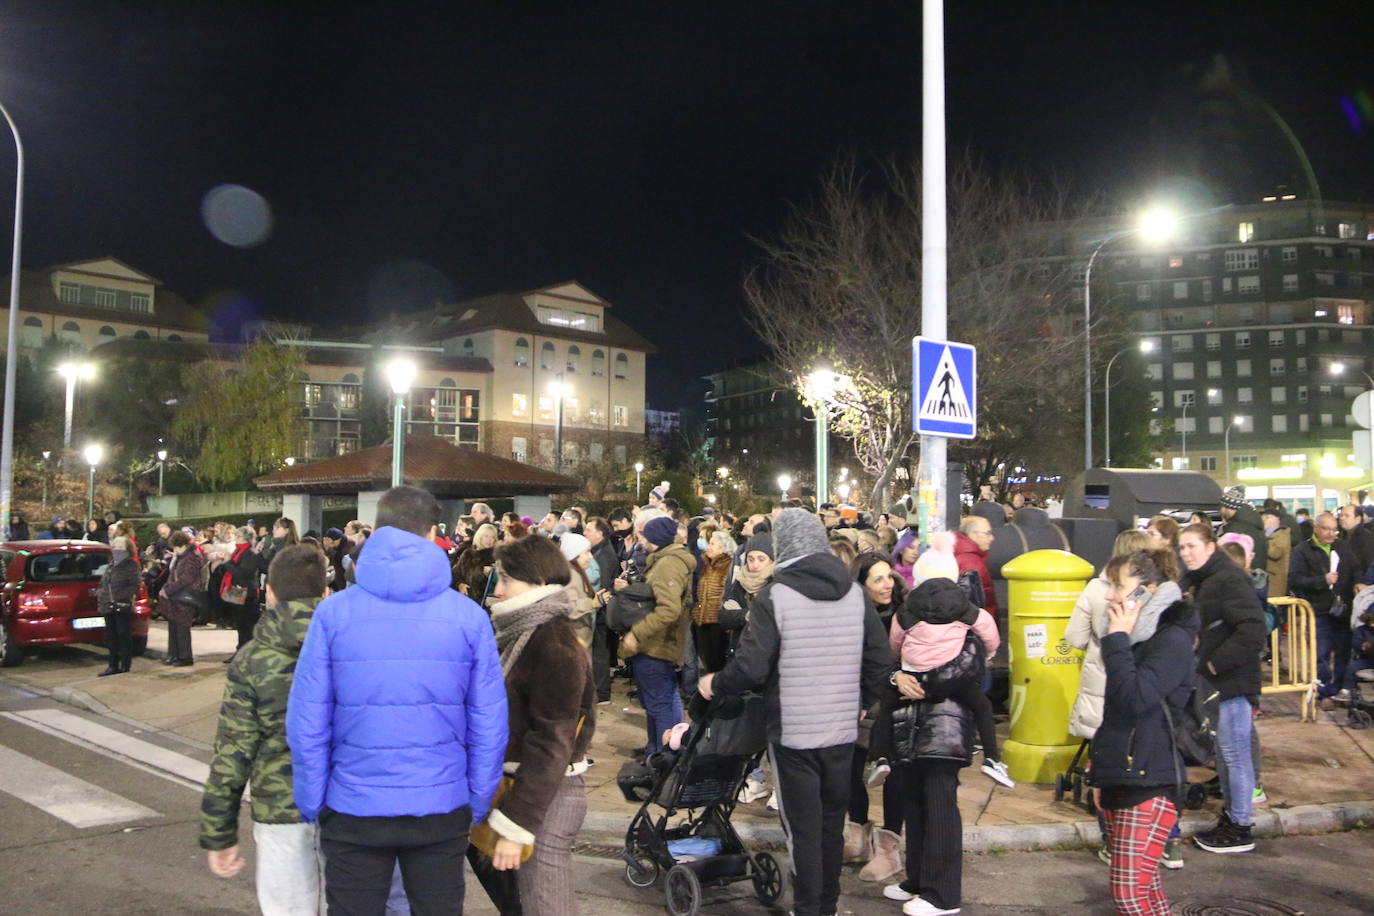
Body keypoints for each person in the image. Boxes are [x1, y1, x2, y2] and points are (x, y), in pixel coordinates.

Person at [287, 485, 508, 915]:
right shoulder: (468, 618)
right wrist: (475, 801)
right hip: (441, 805)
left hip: (352, 805)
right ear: (431, 535)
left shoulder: (333, 614)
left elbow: (307, 721)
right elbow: (489, 724)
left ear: (378, 531)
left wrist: (313, 800)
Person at [699, 509, 891, 916]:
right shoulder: (856, 595)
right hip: (841, 731)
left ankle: (809, 909)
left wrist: (714, 683)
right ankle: (827, 906)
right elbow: (879, 660)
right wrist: (860, 702)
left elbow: (751, 667)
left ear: (784, 547)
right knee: (830, 824)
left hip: (793, 732)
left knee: (803, 829)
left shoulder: (775, 597)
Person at [201, 545, 330, 915]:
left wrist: (219, 833)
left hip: (280, 808)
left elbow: (233, 751)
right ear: (325, 592)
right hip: (347, 806)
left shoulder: (253, 659)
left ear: (269, 593)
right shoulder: (349, 646)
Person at [481, 535, 596, 916]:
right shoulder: (523, 634)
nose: (498, 591)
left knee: (546, 906)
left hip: (546, 795)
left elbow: (553, 740)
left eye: (506, 580)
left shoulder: (553, 643)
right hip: (529, 788)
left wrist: (517, 823)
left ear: (537, 583)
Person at [1088, 549, 1198, 916]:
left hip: (1151, 779)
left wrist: (1116, 639)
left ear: (1146, 591)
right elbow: (1115, 712)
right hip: (1126, 773)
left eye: (1117, 585)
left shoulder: (1171, 640)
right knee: (1146, 889)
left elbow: (1136, 699)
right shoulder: (1137, 639)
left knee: (1128, 892)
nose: (1108, 595)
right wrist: (1101, 774)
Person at [1179, 522, 1265, 854]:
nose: (1186, 553)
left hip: (1231, 681)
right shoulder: (1205, 579)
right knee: (1228, 755)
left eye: (1192, 546)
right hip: (1220, 681)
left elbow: (1252, 627)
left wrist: (1215, 663)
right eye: (1182, 547)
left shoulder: (1227, 579)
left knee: (1234, 753)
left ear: (1211, 546)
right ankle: (1233, 818)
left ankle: (1240, 826)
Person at [848, 552, 908, 883]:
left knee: (892, 774)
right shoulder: (851, 613)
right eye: (877, 579)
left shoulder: (905, 612)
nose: (887, 585)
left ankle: (889, 850)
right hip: (860, 702)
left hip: (894, 704)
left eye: (889, 577)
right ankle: (856, 838)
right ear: (861, 585)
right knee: (850, 770)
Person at [619, 515, 694, 757]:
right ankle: (654, 753)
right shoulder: (665, 561)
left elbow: (668, 609)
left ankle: (663, 759)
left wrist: (636, 634)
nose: (641, 539)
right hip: (658, 643)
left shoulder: (668, 564)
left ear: (657, 539)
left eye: (645, 535)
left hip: (656, 644)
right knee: (659, 701)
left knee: (660, 704)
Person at [1289, 511, 1358, 703]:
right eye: (1326, 529)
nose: (1330, 534)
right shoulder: (1301, 551)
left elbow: (1355, 569)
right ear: (1315, 529)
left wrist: (1358, 583)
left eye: (1334, 529)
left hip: (1342, 610)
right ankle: (1325, 690)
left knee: (1344, 650)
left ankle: (1340, 688)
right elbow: (1294, 579)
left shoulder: (1343, 547)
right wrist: (1322, 580)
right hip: (1318, 610)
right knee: (1321, 653)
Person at [691, 528, 736, 674]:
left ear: (724, 548)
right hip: (703, 620)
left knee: (718, 662)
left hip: (718, 622)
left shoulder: (728, 566)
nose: (708, 547)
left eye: (712, 544)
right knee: (708, 662)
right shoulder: (708, 566)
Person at [96, 536, 140, 676]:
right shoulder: (111, 564)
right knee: (111, 636)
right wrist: (102, 594)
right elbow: (104, 583)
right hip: (108, 604)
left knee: (123, 635)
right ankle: (112, 665)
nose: (117, 549)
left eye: (121, 547)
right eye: (115, 546)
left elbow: (135, 585)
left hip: (121, 604)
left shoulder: (131, 564)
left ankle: (125, 665)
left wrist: (120, 597)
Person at [159, 531, 204, 666]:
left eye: (176, 547)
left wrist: (169, 589)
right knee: (174, 626)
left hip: (184, 596)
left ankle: (185, 657)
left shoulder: (191, 557)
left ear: (182, 545)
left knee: (182, 627)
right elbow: (173, 574)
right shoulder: (181, 556)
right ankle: (174, 655)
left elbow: (187, 578)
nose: (174, 550)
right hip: (176, 596)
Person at [220, 527, 266, 655]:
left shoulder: (250, 553)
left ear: (245, 538)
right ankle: (240, 652)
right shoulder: (238, 551)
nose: (235, 538)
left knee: (247, 626)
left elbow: (243, 573)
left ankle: (245, 654)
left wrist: (228, 562)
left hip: (248, 594)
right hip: (238, 593)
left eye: (238, 536)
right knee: (240, 625)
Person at [954, 515, 998, 621]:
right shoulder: (972, 563)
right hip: (978, 627)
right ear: (972, 534)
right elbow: (973, 606)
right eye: (987, 533)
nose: (992, 538)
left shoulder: (960, 554)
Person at [1218, 486, 1267, 560]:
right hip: (1256, 570)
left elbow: (1229, 559)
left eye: (1221, 507)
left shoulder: (1235, 529)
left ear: (1226, 507)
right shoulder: (1254, 523)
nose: (1220, 510)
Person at [454, 523, 499, 602]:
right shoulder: (468, 554)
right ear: (479, 536)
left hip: (485, 603)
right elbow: (456, 573)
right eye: (486, 536)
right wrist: (459, 584)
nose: (489, 540)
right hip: (465, 600)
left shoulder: (496, 557)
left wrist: (492, 574)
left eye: (492, 537)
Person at [1260, 508, 1291, 601]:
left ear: (1277, 519)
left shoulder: (1282, 534)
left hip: (1276, 580)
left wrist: (1264, 540)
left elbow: (1275, 553)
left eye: (1268, 517)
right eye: (1263, 517)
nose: (1264, 520)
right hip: (1266, 580)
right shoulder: (1269, 534)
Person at [1338, 504, 1374, 576]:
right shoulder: (1341, 535)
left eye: (1346, 516)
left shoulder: (1366, 538)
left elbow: (1368, 564)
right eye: (1341, 515)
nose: (1342, 518)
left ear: (1358, 519)